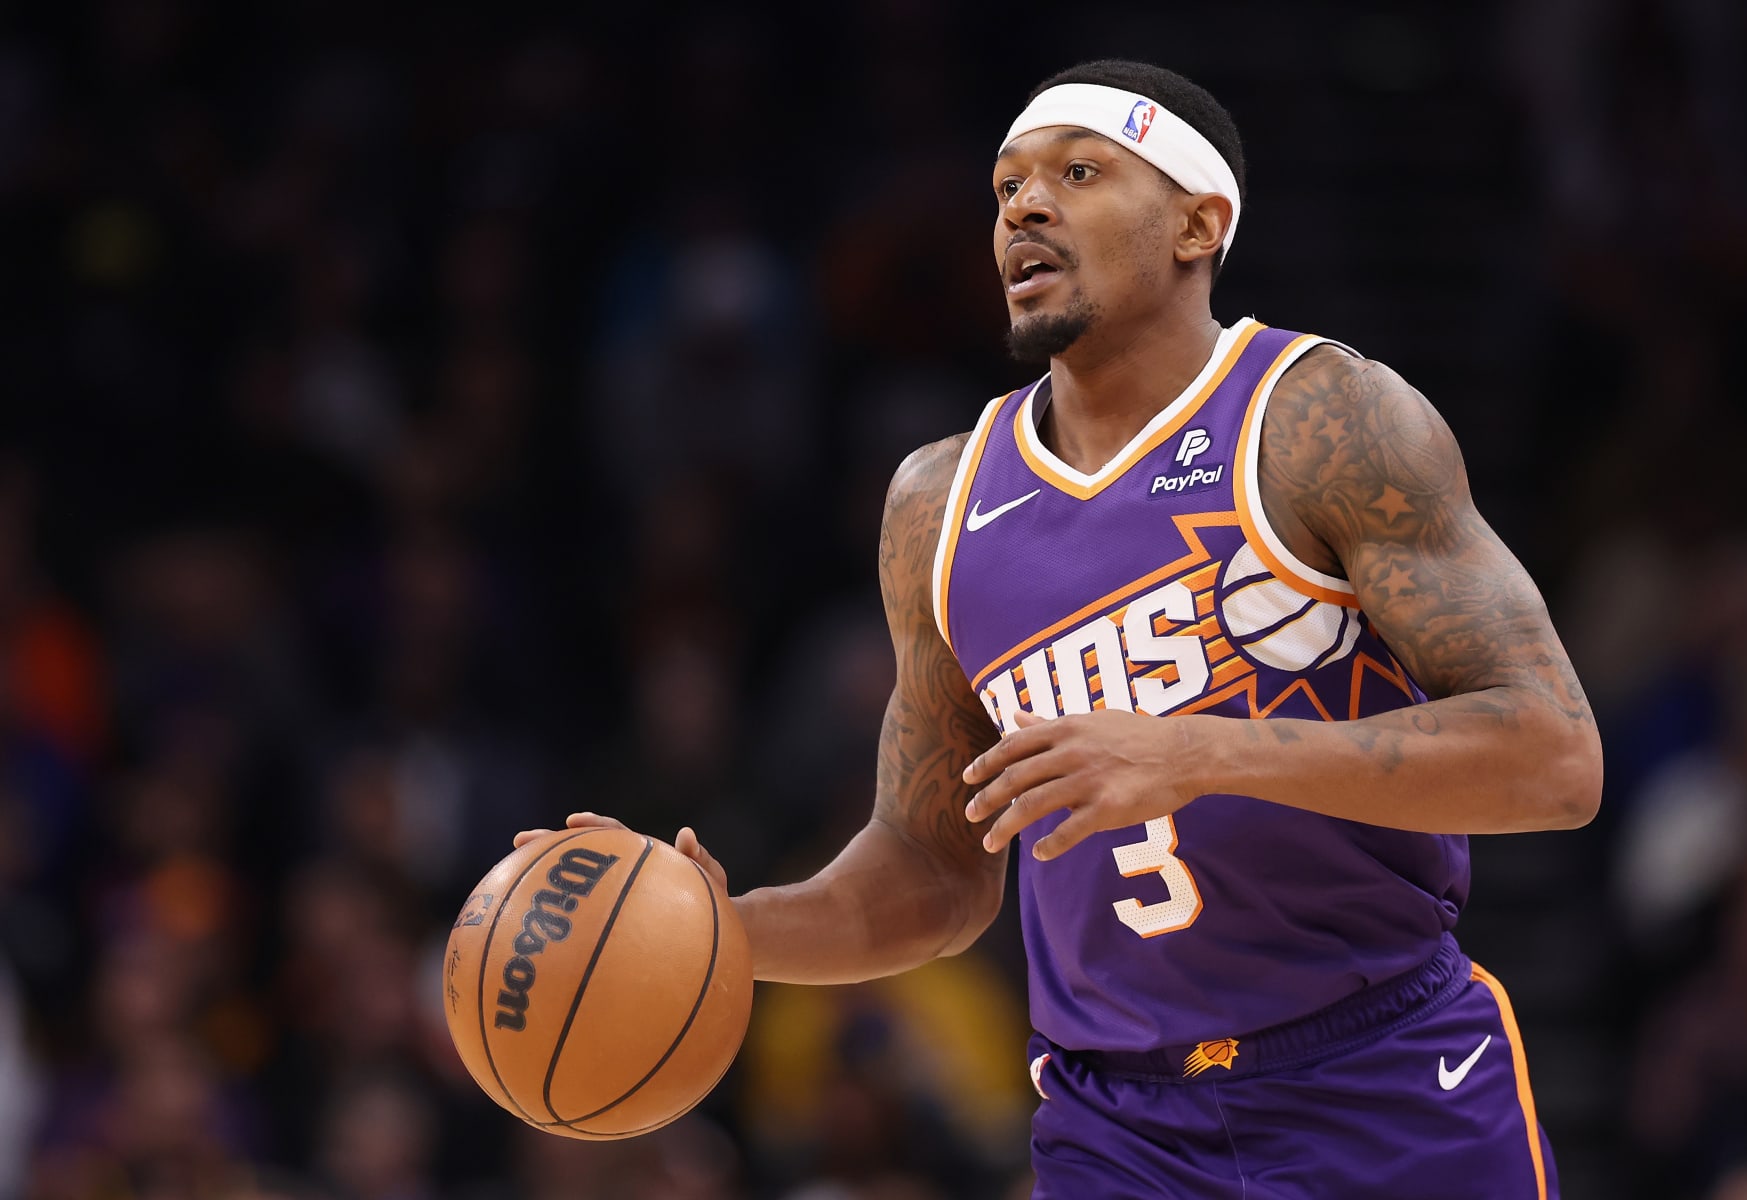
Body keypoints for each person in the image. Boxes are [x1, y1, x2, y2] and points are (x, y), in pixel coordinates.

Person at [516, 59, 1601, 1199]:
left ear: (1198, 224)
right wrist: (715, 933)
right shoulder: (938, 504)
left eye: (1078, 174)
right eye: (1006, 188)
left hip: (1382, 1077)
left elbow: (1554, 755)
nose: (1024, 208)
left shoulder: (1319, 420)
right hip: (1118, 1128)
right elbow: (934, 869)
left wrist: (1200, 753)